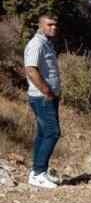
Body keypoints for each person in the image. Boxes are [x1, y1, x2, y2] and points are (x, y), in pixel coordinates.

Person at [24, 14, 63, 189]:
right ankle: (39, 173)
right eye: (49, 25)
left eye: (55, 25)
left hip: (48, 97)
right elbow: (31, 70)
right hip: (42, 97)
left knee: (42, 134)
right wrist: (47, 91)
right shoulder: (36, 44)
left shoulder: (47, 43)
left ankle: (37, 172)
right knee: (52, 133)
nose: (53, 27)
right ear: (40, 25)